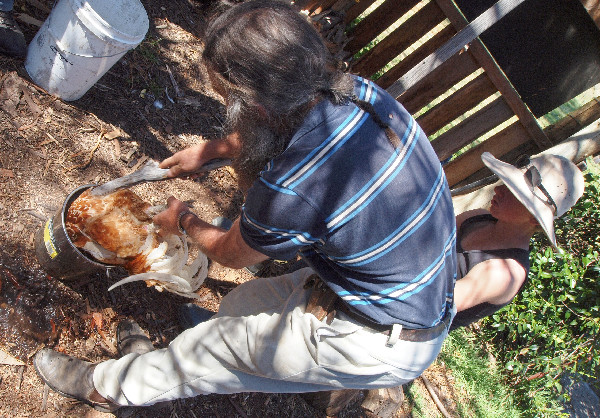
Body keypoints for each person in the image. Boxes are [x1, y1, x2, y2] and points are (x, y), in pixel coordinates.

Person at [33, 0, 457, 411]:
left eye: (223, 96)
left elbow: (231, 253)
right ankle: (201, 349)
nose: (222, 105)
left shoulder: (293, 188)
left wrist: (181, 218)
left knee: (205, 354)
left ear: (252, 104)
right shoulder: (361, 94)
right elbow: (280, 126)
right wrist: (215, 149)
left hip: (378, 337)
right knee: (243, 306)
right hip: (386, 290)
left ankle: (104, 389)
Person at [450, 151, 584, 329]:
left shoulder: (506, 272)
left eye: (514, 192)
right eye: (506, 184)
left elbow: (433, 304)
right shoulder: (476, 218)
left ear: (535, 218)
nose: (499, 190)